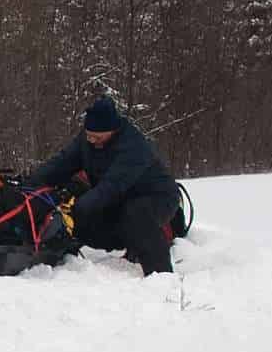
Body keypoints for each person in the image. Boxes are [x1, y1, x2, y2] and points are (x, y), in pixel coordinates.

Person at [32, 96, 183, 275]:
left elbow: (111, 186)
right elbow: (62, 163)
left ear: (112, 131)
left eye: (97, 137)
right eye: (88, 135)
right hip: (119, 199)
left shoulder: (133, 146)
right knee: (83, 221)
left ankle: (161, 275)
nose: (91, 140)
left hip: (157, 196)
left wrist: (76, 209)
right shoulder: (87, 140)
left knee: (135, 215)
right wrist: (33, 181)